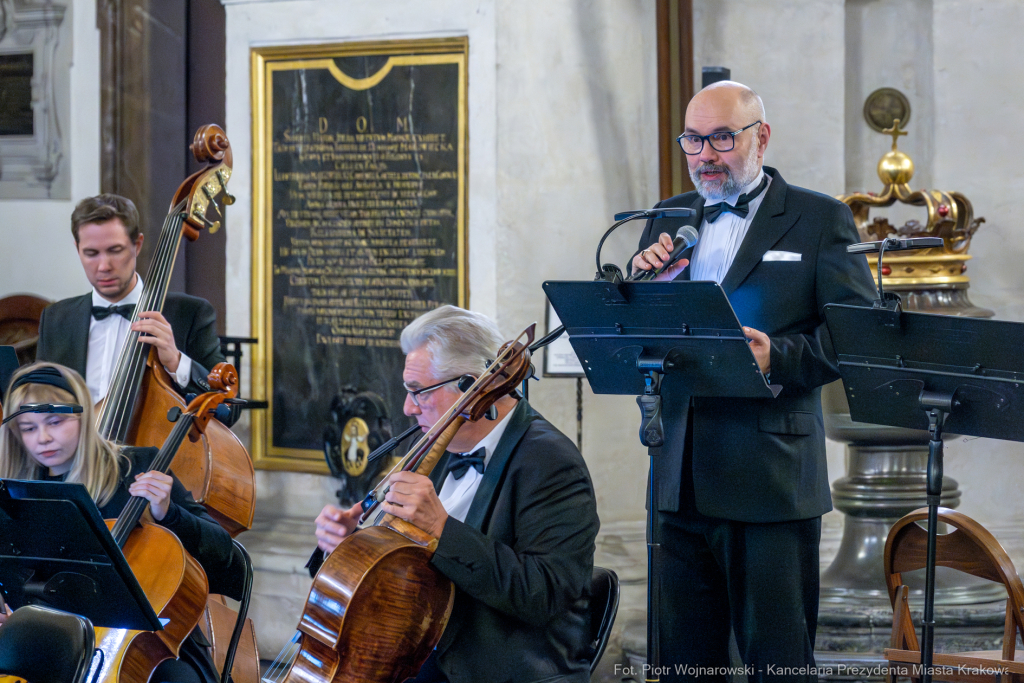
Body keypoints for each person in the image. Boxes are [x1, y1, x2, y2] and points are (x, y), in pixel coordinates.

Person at [631, 81, 875, 680]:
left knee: (779, 666)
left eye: (721, 138)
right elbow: (635, 333)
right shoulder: (665, 216)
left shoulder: (819, 219)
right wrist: (637, 288)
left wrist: (779, 358)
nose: (704, 155)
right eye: (693, 139)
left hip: (771, 480)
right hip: (677, 477)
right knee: (682, 666)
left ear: (760, 136)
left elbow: (859, 336)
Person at [309, 305, 600, 683]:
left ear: (470, 386)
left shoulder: (551, 463)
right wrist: (351, 545)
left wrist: (442, 529)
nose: (407, 407)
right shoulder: (434, 449)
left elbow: (544, 595)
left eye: (419, 392)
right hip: (417, 660)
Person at [0, 362, 246, 683]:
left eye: (56, 421)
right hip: (50, 646)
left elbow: (233, 572)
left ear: (84, 417)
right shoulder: (15, 495)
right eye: (28, 428)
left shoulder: (137, 467)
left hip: (149, 649)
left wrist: (169, 513)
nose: (43, 438)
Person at [36, 193, 226, 404]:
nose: (104, 266)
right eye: (91, 253)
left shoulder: (191, 314)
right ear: (77, 250)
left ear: (137, 245)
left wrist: (176, 361)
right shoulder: (56, 318)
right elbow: (42, 403)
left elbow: (227, 410)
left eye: (115, 251)